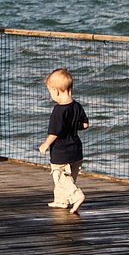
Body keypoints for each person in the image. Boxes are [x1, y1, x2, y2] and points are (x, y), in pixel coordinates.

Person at [37, 67, 88, 216]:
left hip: (61, 152)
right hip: (76, 150)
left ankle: (77, 196)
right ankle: (61, 200)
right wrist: (73, 126)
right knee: (69, 177)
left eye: (50, 92)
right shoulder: (77, 106)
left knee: (60, 176)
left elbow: (55, 132)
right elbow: (85, 125)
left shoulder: (58, 111)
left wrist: (46, 144)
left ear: (56, 91)